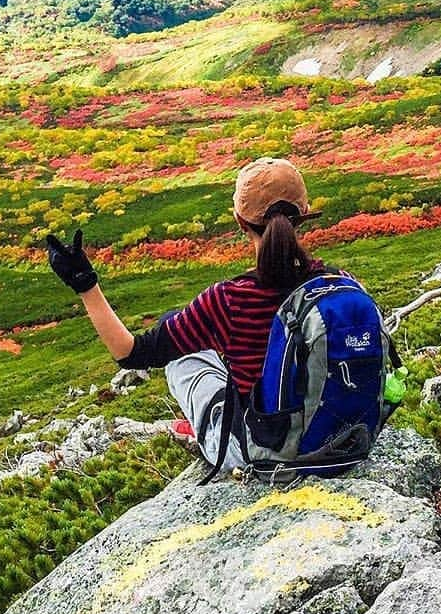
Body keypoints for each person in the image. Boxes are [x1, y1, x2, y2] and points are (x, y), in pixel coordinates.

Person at [46, 156, 333, 472]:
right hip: (339, 438)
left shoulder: (229, 300)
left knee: (183, 349)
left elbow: (129, 353)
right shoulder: (339, 284)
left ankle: (205, 428)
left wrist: (86, 286)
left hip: (263, 450)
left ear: (239, 221)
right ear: (304, 215)